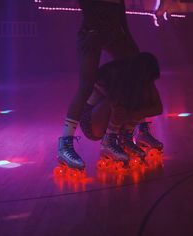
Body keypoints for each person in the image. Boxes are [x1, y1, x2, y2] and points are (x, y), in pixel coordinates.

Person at [58, 0, 161, 170]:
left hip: (113, 32)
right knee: (87, 85)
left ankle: (136, 133)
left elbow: (122, 19)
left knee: (137, 74)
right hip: (94, 30)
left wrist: (131, 48)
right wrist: (92, 30)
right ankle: (65, 145)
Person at [80, 52, 163, 165]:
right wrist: (132, 114)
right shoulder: (117, 74)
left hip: (107, 116)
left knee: (141, 98)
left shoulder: (140, 79)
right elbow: (116, 105)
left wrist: (134, 114)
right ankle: (108, 143)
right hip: (90, 122)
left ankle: (125, 138)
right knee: (119, 102)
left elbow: (158, 108)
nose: (148, 83)